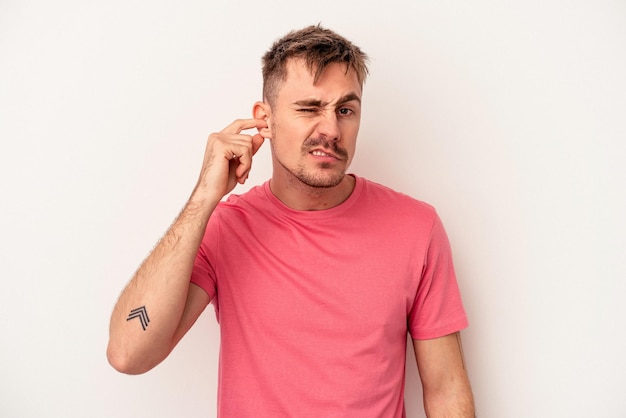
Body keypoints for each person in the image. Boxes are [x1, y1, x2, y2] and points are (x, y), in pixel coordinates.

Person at [107, 25, 475, 417]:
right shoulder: (226, 228)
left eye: (345, 110)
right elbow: (129, 353)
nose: (332, 130)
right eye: (309, 108)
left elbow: (446, 389)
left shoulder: (416, 227)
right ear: (264, 120)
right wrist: (204, 197)